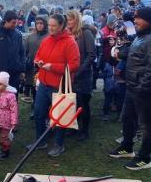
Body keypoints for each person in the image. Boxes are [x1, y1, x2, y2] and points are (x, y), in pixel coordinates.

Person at [108, 7, 151, 170]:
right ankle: (127, 148)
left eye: (137, 18)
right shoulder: (142, 36)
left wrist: (142, 88)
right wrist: (120, 53)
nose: (134, 21)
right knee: (127, 118)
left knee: (146, 125)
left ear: (147, 20)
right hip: (133, 87)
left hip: (146, 90)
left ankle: (144, 158)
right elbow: (135, 54)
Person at [30, 13, 80, 157]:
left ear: (61, 26)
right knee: (39, 113)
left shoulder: (70, 42)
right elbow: (38, 55)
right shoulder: (47, 40)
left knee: (60, 117)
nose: (50, 28)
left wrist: (53, 67)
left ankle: (59, 144)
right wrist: (38, 62)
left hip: (59, 85)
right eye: (49, 25)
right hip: (44, 84)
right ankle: (41, 140)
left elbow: (74, 65)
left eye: (53, 26)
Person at [66, 10, 96, 141]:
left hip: (83, 75)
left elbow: (91, 55)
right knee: (73, 102)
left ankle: (85, 130)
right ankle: (74, 127)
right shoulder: (69, 34)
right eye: (67, 20)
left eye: (70, 20)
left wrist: (79, 71)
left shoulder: (86, 33)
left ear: (77, 20)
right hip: (71, 74)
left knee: (83, 104)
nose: (68, 22)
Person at [0, 9, 25, 96]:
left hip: (14, 73)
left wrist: (21, 67)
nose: (15, 25)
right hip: (0, 72)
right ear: (6, 21)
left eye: (16, 22)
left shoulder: (18, 34)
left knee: (13, 97)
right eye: (13, 23)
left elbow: (22, 52)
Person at [23, 15, 49, 109]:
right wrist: (26, 61)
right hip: (32, 68)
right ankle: (35, 107)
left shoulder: (49, 37)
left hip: (45, 68)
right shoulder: (30, 37)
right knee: (34, 88)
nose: (39, 25)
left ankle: (45, 109)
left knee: (44, 90)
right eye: (37, 23)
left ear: (45, 24)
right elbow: (24, 52)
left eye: (41, 23)